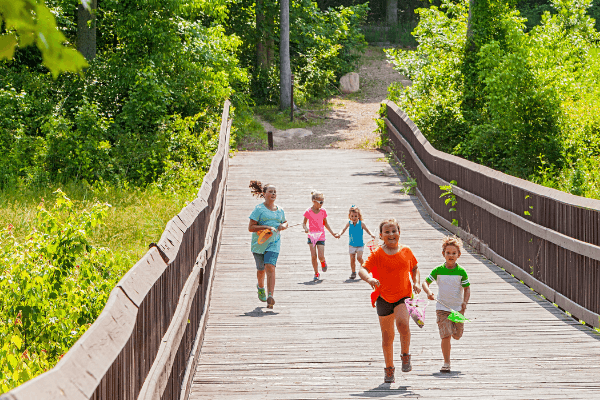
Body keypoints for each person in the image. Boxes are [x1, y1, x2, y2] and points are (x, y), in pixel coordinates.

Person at [359, 218, 421, 383]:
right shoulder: (377, 253)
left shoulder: (406, 251)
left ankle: (405, 355)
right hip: (384, 298)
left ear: (399, 233)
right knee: (387, 337)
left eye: (394, 231)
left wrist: (416, 282)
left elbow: (414, 268)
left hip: (403, 296)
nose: (391, 234)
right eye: (387, 232)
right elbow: (363, 269)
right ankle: (389, 369)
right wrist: (370, 279)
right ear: (381, 235)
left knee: (403, 324)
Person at [422, 235, 470, 373]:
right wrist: (429, 292)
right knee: (445, 335)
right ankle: (446, 362)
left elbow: (467, 288)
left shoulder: (461, 272)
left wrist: (465, 302)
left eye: (454, 253)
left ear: (458, 255)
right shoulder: (438, 270)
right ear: (443, 254)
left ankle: (456, 333)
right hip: (442, 308)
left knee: (457, 335)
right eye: (448, 253)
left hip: (457, 309)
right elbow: (425, 282)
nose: (451, 255)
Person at [248, 180, 288, 309]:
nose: (273, 193)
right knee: (261, 270)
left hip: (274, 243)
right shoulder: (259, 209)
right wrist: (266, 226)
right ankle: (260, 287)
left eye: (275, 192)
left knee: (270, 267)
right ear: (264, 194)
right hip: (259, 244)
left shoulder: (280, 210)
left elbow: (285, 222)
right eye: (270, 191)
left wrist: (283, 226)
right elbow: (251, 227)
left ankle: (270, 296)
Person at [302, 190, 338, 281]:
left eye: (323, 202)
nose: (322, 204)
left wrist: (333, 233)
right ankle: (316, 273)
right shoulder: (308, 211)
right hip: (312, 236)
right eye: (320, 202)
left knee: (320, 256)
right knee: (313, 256)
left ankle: (323, 262)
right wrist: (305, 228)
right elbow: (304, 223)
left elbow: (326, 223)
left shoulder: (323, 211)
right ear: (314, 201)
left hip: (320, 236)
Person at [337, 205, 376, 279]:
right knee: (352, 259)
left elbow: (367, 230)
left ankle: (364, 268)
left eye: (355, 216)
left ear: (358, 216)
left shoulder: (361, 223)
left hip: (360, 245)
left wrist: (371, 234)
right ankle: (353, 272)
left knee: (359, 257)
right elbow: (343, 229)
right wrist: (339, 234)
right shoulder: (349, 223)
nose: (354, 218)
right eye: (352, 216)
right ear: (349, 216)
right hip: (351, 245)